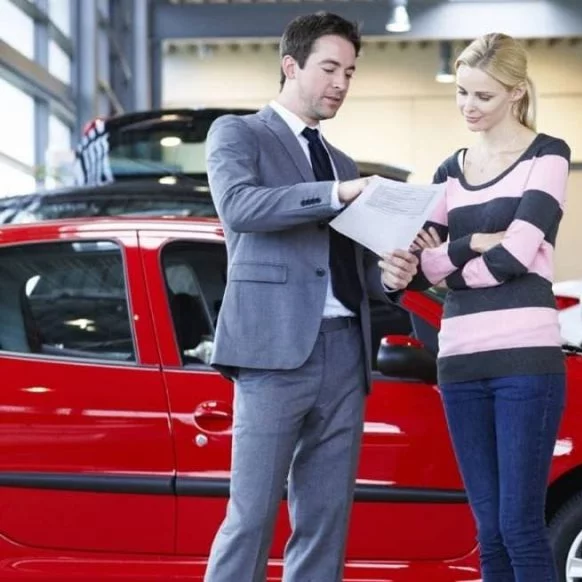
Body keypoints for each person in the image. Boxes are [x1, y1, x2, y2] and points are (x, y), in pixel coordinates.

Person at [202, 11, 420, 582]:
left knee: (325, 521)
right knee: (250, 518)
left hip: (346, 354)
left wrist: (391, 275)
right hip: (273, 355)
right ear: (290, 66)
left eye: (349, 72)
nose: (341, 84)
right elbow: (240, 208)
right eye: (329, 68)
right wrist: (336, 191)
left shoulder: (342, 161)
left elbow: (352, 269)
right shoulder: (239, 133)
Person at [414, 32, 571, 582]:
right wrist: (476, 245)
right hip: (459, 362)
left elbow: (518, 255)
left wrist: (452, 263)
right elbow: (421, 266)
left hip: (525, 361)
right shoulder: (448, 172)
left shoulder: (547, 155)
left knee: (520, 527)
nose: (468, 107)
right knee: (487, 532)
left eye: (482, 96)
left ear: (516, 93)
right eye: (461, 93)